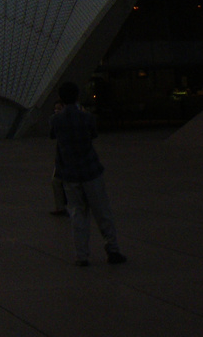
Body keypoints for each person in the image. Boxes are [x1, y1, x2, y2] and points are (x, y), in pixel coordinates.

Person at [50, 82, 125, 266]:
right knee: (102, 211)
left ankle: (81, 255)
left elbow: (54, 136)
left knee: (77, 214)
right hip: (90, 170)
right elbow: (93, 135)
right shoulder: (87, 118)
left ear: (61, 98)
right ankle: (112, 249)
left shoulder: (55, 120)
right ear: (77, 96)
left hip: (70, 173)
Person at [49, 101, 68, 215]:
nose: (56, 111)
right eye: (55, 109)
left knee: (60, 182)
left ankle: (63, 206)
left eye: (59, 109)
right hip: (61, 158)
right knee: (56, 181)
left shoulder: (68, 122)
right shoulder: (57, 122)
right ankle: (60, 207)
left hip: (67, 158)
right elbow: (52, 135)